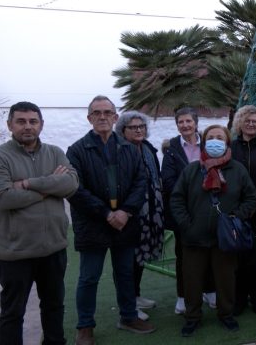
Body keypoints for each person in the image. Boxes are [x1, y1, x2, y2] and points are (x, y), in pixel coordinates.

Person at [0, 101, 79, 345]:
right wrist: (49, 187)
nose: (28, 127)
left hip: (53, 249)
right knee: (13, 313)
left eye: (33, 121)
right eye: (21, 121)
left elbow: (71, 185)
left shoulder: (55, 153)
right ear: (9, 125)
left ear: (41, 125)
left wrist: (27, 183)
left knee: (54, 307)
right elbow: (2, 198)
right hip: (15, 252)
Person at [67, 95, 155, 345]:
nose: (102, 117)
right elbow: (75, 189)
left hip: (124, 223)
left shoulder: (129, 148)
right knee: (89, 277)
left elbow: (141, 182)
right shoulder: (77, 150)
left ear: (115, 117)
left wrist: (125, 211)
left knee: (125, 273)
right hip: (93, 224)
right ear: (89, 118)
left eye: (107, 112)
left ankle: (128, 317)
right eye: (97, 113)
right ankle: (85, 326)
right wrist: (106, 213)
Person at [170, 124, 256, 336]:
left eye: (219, 137)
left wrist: (236, 216)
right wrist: (186, 225)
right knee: (192, 280)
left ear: (226, 141)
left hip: (225, 237)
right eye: (211, 137)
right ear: (204, 140)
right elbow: (177, 199)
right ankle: (192, 317)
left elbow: (251, 197)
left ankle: (226, 314)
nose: (215, 141)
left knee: (226, 279)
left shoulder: (237, 170)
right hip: (194, 237)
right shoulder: (192, 169)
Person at [161, 107, 213, 313]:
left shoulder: (209, 144)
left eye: (188, 121)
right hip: (183, 212)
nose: (185, 125)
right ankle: (183, 297)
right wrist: (190, 197)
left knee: (210, 252)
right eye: (181, 122)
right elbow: (168, 181)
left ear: (196, 123)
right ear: (177, 125)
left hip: (209, 210)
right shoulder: (171, 149)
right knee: (184, 256)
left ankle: (210, 291)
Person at [115, 111, 165, 320]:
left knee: (141, 256)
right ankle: (127, 304)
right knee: (128, 261)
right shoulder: (120, 151)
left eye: (141, 127)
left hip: (152, 211)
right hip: (131, 212)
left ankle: (135, 295)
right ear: (122, 131)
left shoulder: (148, 149)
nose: (138, 130)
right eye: (133, 127)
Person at [229, 105, 256, 316]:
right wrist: (239, 207)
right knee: (238, 258)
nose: (251, 124)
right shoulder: (231, 147)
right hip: (236, 211)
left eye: (255, 121)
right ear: (240, 122)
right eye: (247, 120)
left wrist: (255, 204)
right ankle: (238, 299)